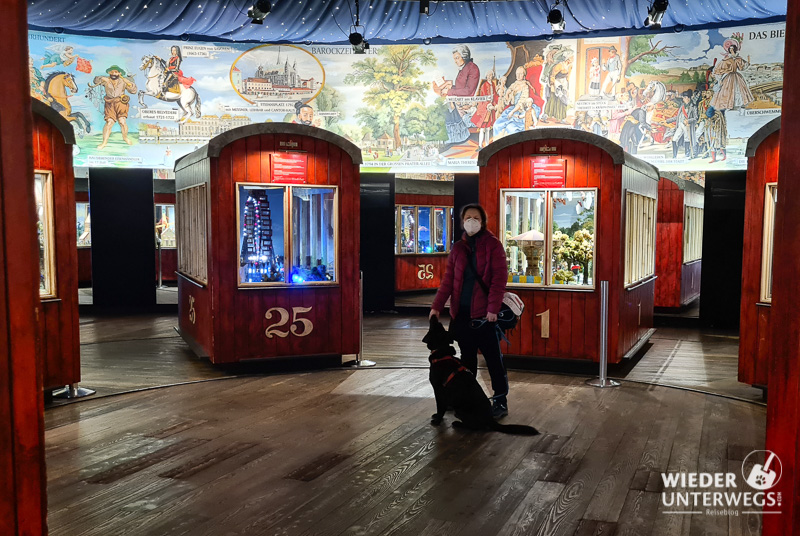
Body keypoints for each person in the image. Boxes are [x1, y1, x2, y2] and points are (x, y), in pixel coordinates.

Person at [430, 204, 511, 419]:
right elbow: (448, 281)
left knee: (493, 360)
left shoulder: (493, 246)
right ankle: (467, 398)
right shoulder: (458, 248)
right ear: (462, 221)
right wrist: (437, 306)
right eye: (468, 217)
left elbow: (498, 280)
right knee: (466, 361)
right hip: (462, 315)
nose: (471, 221)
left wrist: (492, 309)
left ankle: (500, 400)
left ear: (483, 222)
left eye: (476, 217)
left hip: (485, 317)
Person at [91, 65, 138, 149]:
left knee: (122, 121)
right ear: (109, 73)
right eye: (112, 72)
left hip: (121, 103)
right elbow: (95, 80)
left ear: (119, 73)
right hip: (109, 103)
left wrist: (130, 84)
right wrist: (102, 78)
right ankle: (104, 143)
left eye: (116, 72)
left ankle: (125, 137)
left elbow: (134, 91)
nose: (113, 73)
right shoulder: (106, 80)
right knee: (109, 123)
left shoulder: (124, 81)